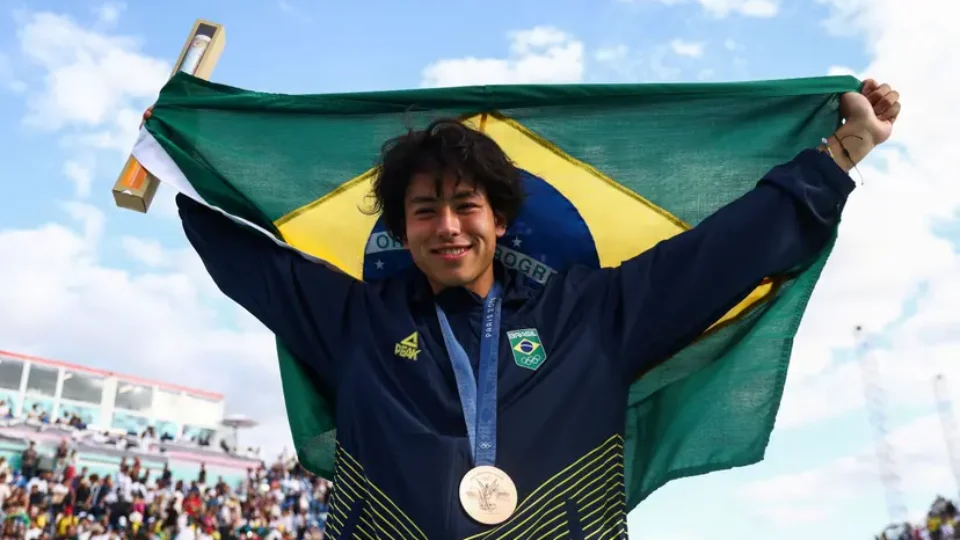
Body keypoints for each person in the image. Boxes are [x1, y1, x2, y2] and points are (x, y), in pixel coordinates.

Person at [152, 79, 901, 539]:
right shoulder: (357, 323)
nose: (448, 227)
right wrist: (167, 152)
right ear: (402, 231)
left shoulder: (591, 317)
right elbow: (249, 258)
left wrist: (842, 154)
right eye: (424, 210)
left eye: (466, 205)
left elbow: (720, 255)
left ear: (500, 220)